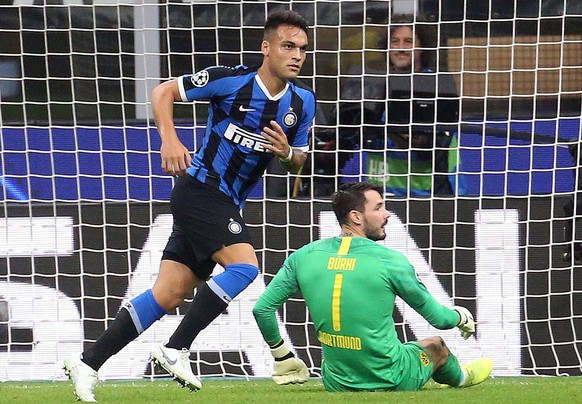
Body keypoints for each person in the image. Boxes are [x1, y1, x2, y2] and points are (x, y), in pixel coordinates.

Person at [64, 9, 315, 402]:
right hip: (200, 190)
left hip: (227, 201)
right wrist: (169, 138)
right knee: (245, 266)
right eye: (288, 46)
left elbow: (298, 158)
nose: (297, 54)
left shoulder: (303, 102)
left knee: (168, 294)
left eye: (302, 48)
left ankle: (88, 362)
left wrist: (285, 154)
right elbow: (163, 91)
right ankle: (176, 348)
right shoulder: (230, 80)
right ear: (266, 48)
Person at [253, 181, 493, 392]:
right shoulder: (390, 260)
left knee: (401, 348)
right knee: (436, 346)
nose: (387, 214)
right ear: (356, 217)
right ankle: (462, 378)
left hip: (336, 382)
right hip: (391, 378)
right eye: (378, 208)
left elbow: (262, 309)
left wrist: (282, 356)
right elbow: (440, 319)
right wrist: (460, 316)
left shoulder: (303, 256)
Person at [365, 16, 466, 197]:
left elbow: (431, 148)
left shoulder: (437, 86)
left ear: (422, 47)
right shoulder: (373, 86)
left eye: (408, 41)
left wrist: (394, 130)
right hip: (381, 196)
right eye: (394, 42)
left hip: (431, 193)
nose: (401, 48)